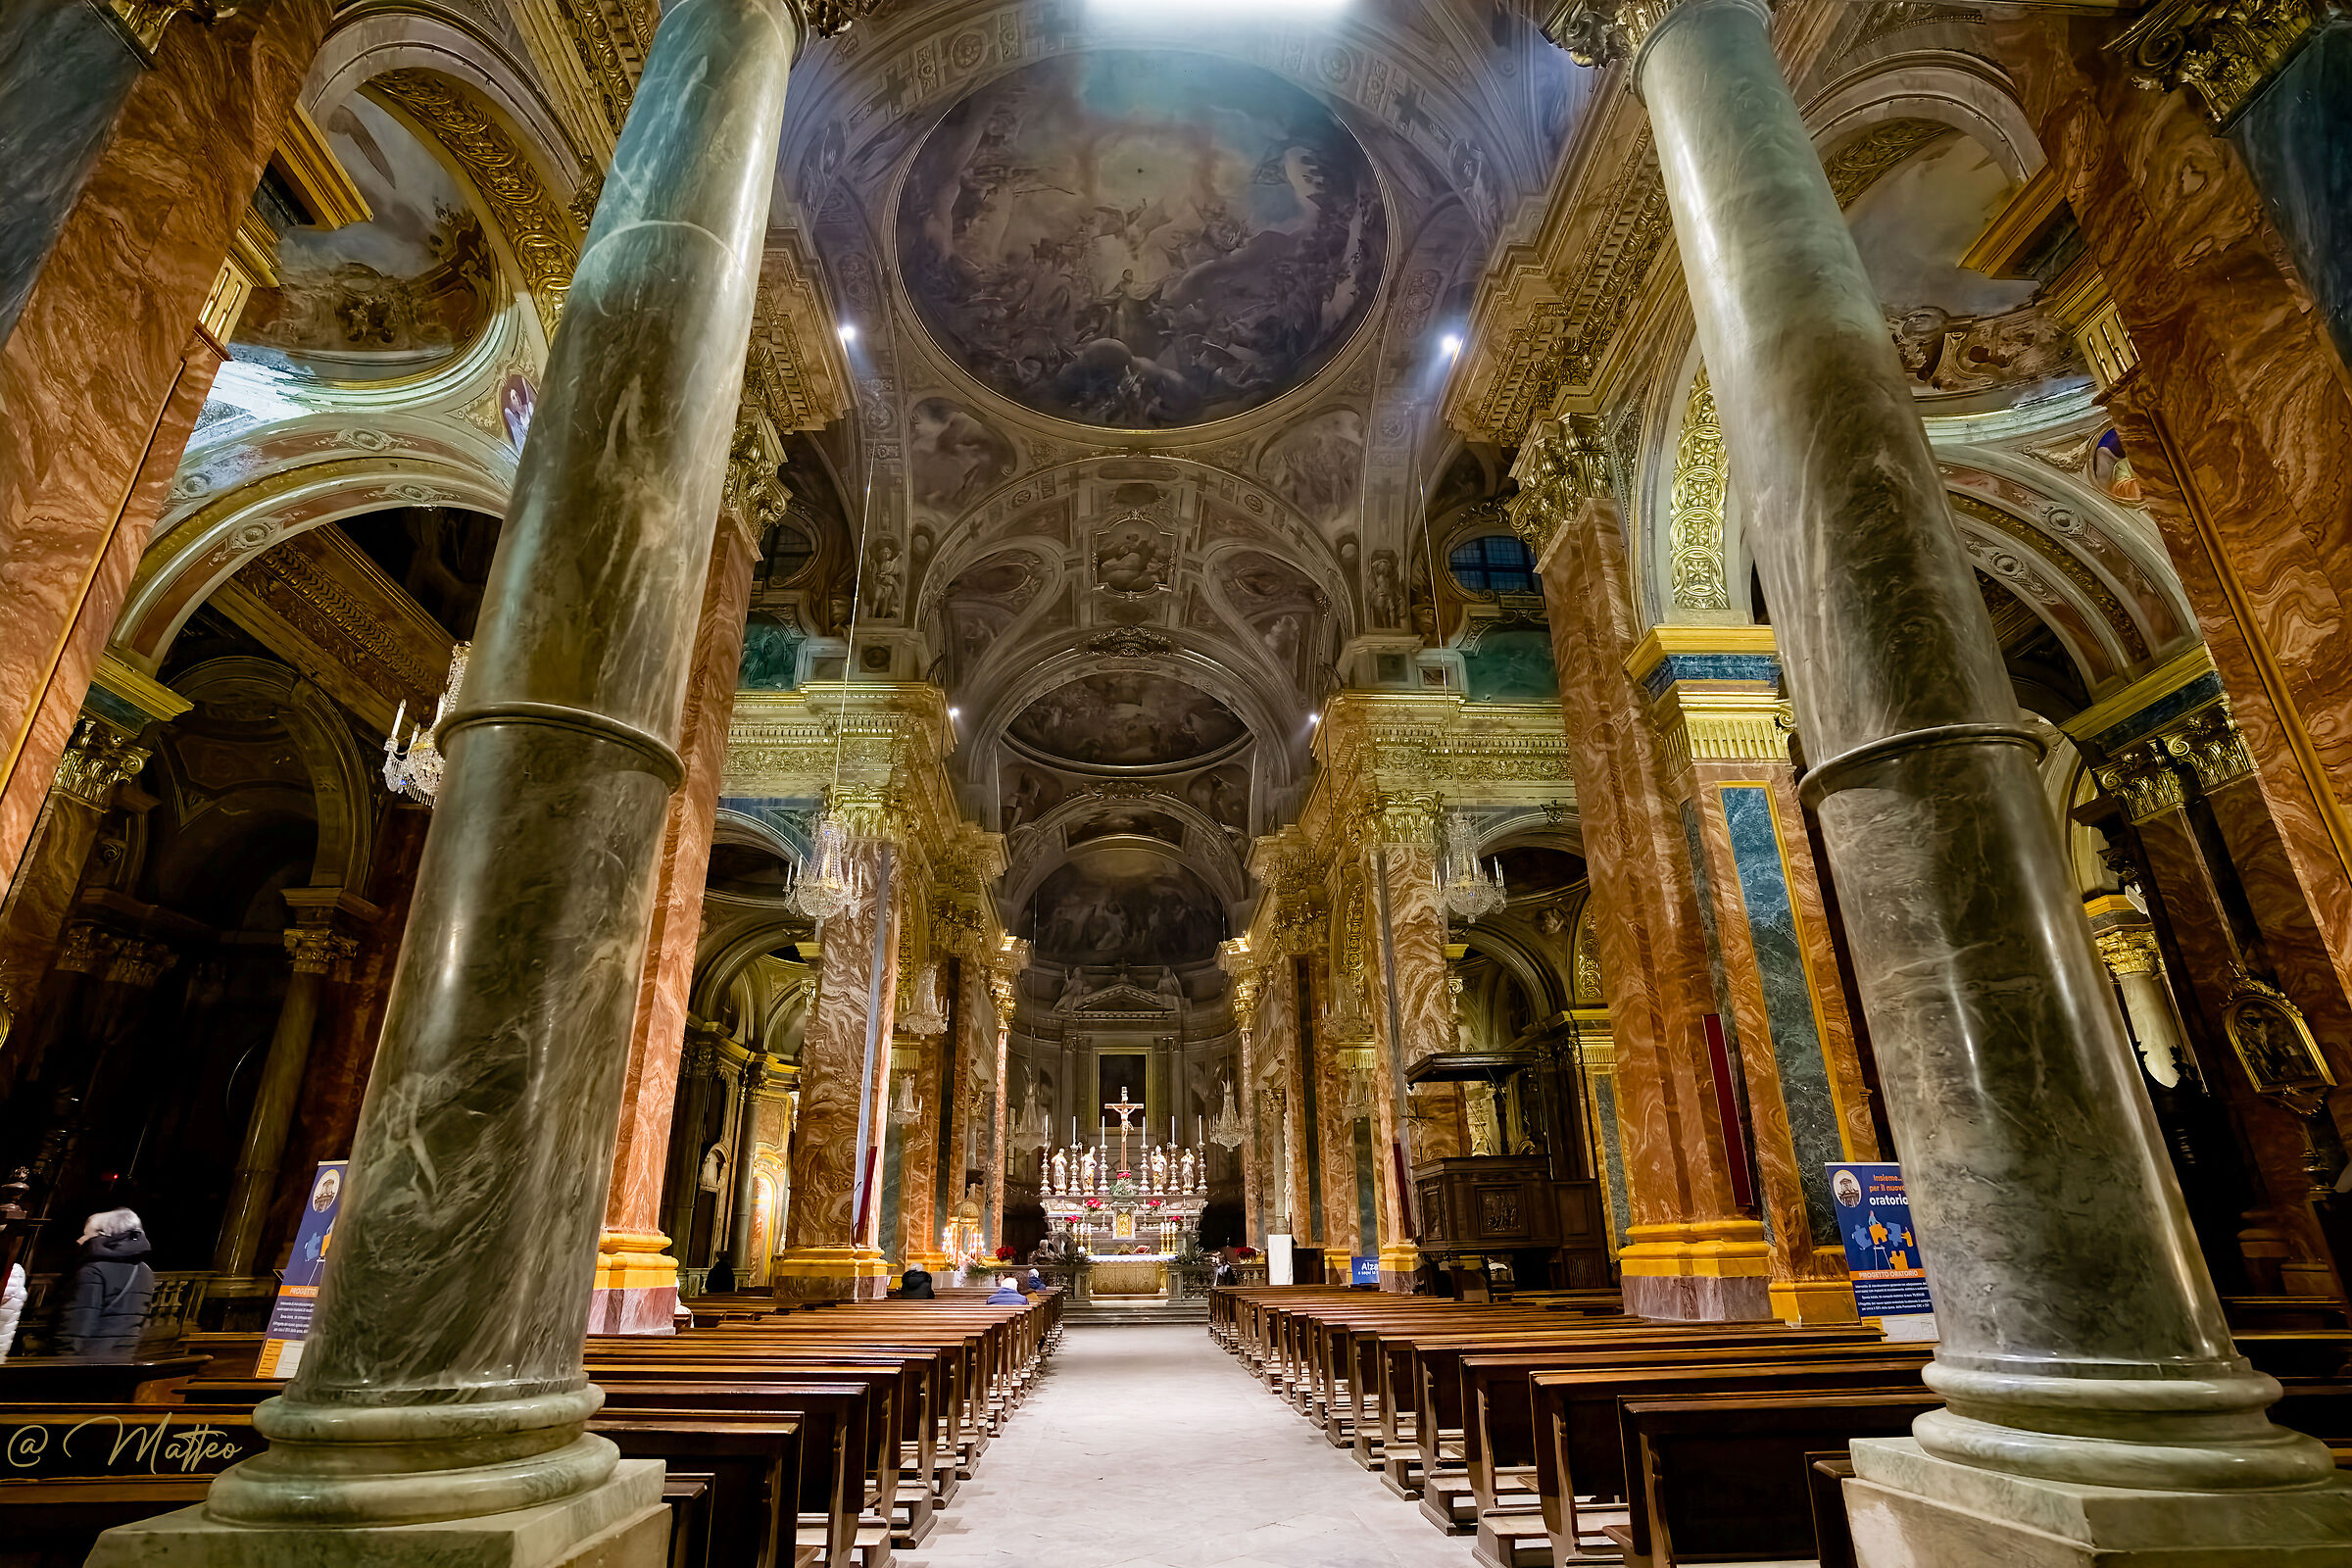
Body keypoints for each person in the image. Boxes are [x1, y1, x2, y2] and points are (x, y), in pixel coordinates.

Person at [62, 1208, 155, 1361]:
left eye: (88, 1234)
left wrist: (62, 1358)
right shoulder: (144, 1270)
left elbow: (78, 1322)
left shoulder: (93, 1271)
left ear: (104, 1236)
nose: (80, 1240)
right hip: (123, 1356)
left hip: (88, 1359)